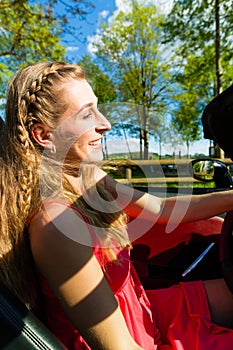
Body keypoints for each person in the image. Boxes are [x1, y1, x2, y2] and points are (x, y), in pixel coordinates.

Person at [1, 62, 233, 350]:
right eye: (87, 114)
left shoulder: (90, 178)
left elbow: (160, 209)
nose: (106, 123)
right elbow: (119, 347)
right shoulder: (56, 224)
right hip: (129, 337)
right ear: (44, 135)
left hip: (142, 310)